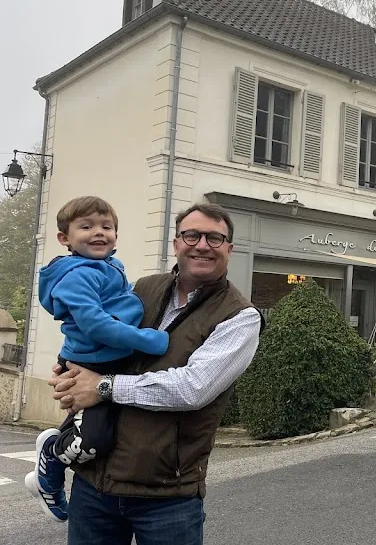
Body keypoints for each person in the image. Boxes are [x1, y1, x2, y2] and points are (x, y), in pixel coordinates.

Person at [48, 203, 263, 545]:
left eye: (215, 238)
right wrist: (69, 370)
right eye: (191, 235)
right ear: (177, 243)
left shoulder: (239, 317)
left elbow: (191, 389)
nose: (202, 245)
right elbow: (97, 334)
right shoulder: (142, 288)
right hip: (94, 484)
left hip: (166, 496)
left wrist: (103, 386)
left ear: (229, 249)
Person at [26, 196, 170, 523]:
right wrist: (150, 340)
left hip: (102, 360)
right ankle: (52, 458)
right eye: (86, 227)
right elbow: (96, 324)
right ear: (65, 238)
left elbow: (118, 302)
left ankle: (59, 447)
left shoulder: (108, 267)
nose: (99, 233)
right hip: (92, 363)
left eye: (107, 227)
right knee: (94, 441)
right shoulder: (77, 274)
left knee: (103, 428)